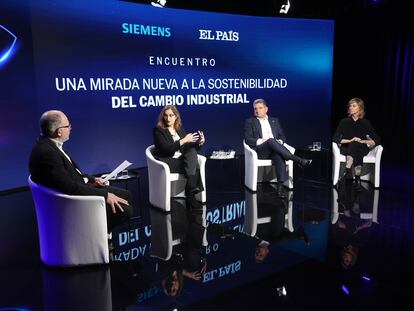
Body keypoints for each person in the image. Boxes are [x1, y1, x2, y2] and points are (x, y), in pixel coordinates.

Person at [29, 110, 133, 237]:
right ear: (59, 131)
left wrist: (92, 179)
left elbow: (72, 172)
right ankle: (93, 236)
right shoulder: (47, 153)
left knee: (126, 195)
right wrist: (105, 195)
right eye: (68, 126)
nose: (70, 128)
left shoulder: (49, 144)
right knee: (126, 210)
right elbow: (69, 187)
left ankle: (100, 232)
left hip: (77, 188)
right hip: (75, 204)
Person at [244, 98, 312, 198]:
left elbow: (282, 136)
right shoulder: (250, 122)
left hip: (275, 148)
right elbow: (248, 139)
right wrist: (261, 141)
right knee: (271, 140)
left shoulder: (274, 120)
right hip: (262, 151)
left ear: (266, 109)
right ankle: (298, 160)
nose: (257, 110)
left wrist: (279, 142)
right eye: (255, 109)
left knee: (278, 155)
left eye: (260, 108)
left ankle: (280, 187)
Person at [153, 106, 205, 208]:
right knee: (194, 165)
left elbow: (186, 147)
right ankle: (191, 192)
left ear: (176, 117)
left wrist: (200, 143)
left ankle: (190, 190)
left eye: (171, 115)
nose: (168, 118)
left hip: (181, 158)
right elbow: (166, 149)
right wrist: (183, 140)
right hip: (167, 160)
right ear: (162, 116)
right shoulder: (158, 130)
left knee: (192, 151)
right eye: (166, 115)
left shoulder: (179, 129)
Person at [333, 98, 381, 189]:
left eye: (354, 106)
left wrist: (363, 141)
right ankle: (357, 180)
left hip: (361, 148)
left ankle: (346, 171)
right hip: (346, 147)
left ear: (360, 108)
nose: (351, 107)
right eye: (350, 106)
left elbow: (377, 140)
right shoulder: (344, 122)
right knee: (354, 145)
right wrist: (351, 140)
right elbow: (335, 139)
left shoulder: (366, 123)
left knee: (356, 146)